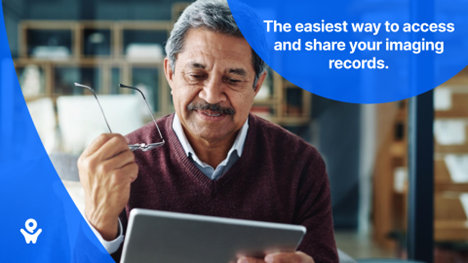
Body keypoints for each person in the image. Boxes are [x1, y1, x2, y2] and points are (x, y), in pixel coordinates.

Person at [77, 0, 338, 262]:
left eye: (233, 79)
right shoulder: (121, 168)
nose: (212, 95)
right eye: (196, 75)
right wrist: (99, 224)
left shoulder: (301, 165)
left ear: (257, 85)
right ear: (170, 73)